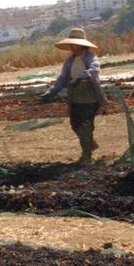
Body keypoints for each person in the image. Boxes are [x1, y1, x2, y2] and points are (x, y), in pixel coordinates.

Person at [40, 27, 108, 165]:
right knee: (75, 125)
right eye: (71, 43)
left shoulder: (90, 57)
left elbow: (94, 70)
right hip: (75, 97)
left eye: (74, 43)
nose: (71, 46)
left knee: (86, 125)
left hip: (90, 97)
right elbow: (63, 79)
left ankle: (86, 156)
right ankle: (90, 144)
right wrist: (51, 92)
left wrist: (82, 77)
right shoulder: (70, 61)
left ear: (81, 44)